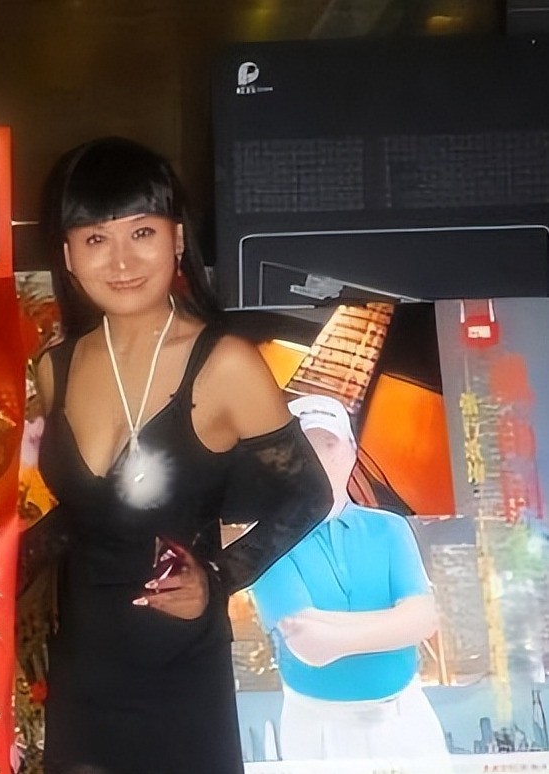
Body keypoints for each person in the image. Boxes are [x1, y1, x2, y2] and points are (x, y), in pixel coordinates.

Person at [30, 136, 332, 773]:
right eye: (96, 238)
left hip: (179, 672)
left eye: (141, 232)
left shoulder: (224, 365)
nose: (121, 260)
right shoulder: (54, 369)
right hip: (83, 668)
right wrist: (1, 561)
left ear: (176, 238)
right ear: (68, 254)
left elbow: (309, 494)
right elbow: (90, 516)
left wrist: (217, 577)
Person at [249, 394, 447, 761]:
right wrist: (394, 623)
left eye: (329, 444)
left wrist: (332, 626)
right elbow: (311, 646)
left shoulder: (390, 528)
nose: (318, 458)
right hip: (317, 729)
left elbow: (423, 620)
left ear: (352, 451)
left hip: (407, 719)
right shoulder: (263, 541)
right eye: (304, 446)